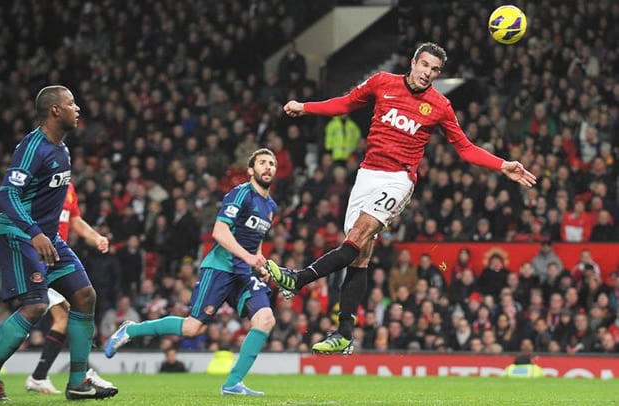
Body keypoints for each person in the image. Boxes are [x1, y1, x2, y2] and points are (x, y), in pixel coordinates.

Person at [265, 42, 537, 354]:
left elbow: (464, 147)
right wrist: (306, 106)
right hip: (367, 174)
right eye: (425, 65)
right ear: (413, 62)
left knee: (359, 234)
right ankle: (344, 334)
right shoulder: (382, 82)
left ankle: (296, 280)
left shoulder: (440, 106)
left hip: (398, 179)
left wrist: (502, 165)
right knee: (359, 254)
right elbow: (346, 104)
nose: (428, 73)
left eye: (435, 70)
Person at [0, 85, 118, 401]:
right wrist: (34, 232)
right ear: (55, 110)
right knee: (37, 304)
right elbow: (6, 194)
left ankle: (78, 381)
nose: (77, 108)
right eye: (71, 103)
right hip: (18, 232)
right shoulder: (32, 147)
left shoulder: (62, 150)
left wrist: (48, 234)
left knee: (84, 295)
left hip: (46, 237)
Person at [104, 148, 279, 396]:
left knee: (266, 319)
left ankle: (232, 383)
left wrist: (258, 263)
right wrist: (249, 257)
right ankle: (130, 330)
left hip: (243, 272)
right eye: (262, 162)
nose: (268, 167)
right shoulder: (240, 194)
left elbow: (256, 238)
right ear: (251, 170)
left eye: (272, 163)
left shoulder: (271, 206)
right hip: (220, 267)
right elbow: (220, 232)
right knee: (192, 327)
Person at [25, 182, 115, 394]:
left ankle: (40, 376)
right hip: (37, 258)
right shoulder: (40, 183)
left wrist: (96, 237)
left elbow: (74, 219)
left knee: (67, 317)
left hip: (56, 261)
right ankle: (81, 373)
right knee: (73, 314)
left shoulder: (69, 188)